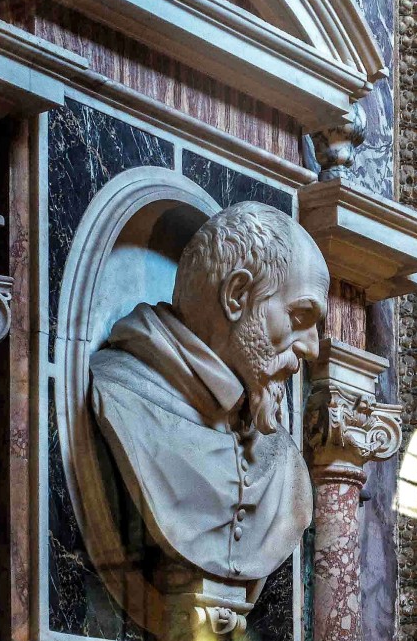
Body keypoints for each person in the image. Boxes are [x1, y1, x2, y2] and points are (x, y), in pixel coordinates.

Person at [90, 201, 329, 582]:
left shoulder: (283, 462)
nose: (312, 348)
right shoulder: (119, 397)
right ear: (236, 296)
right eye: (300, 317)